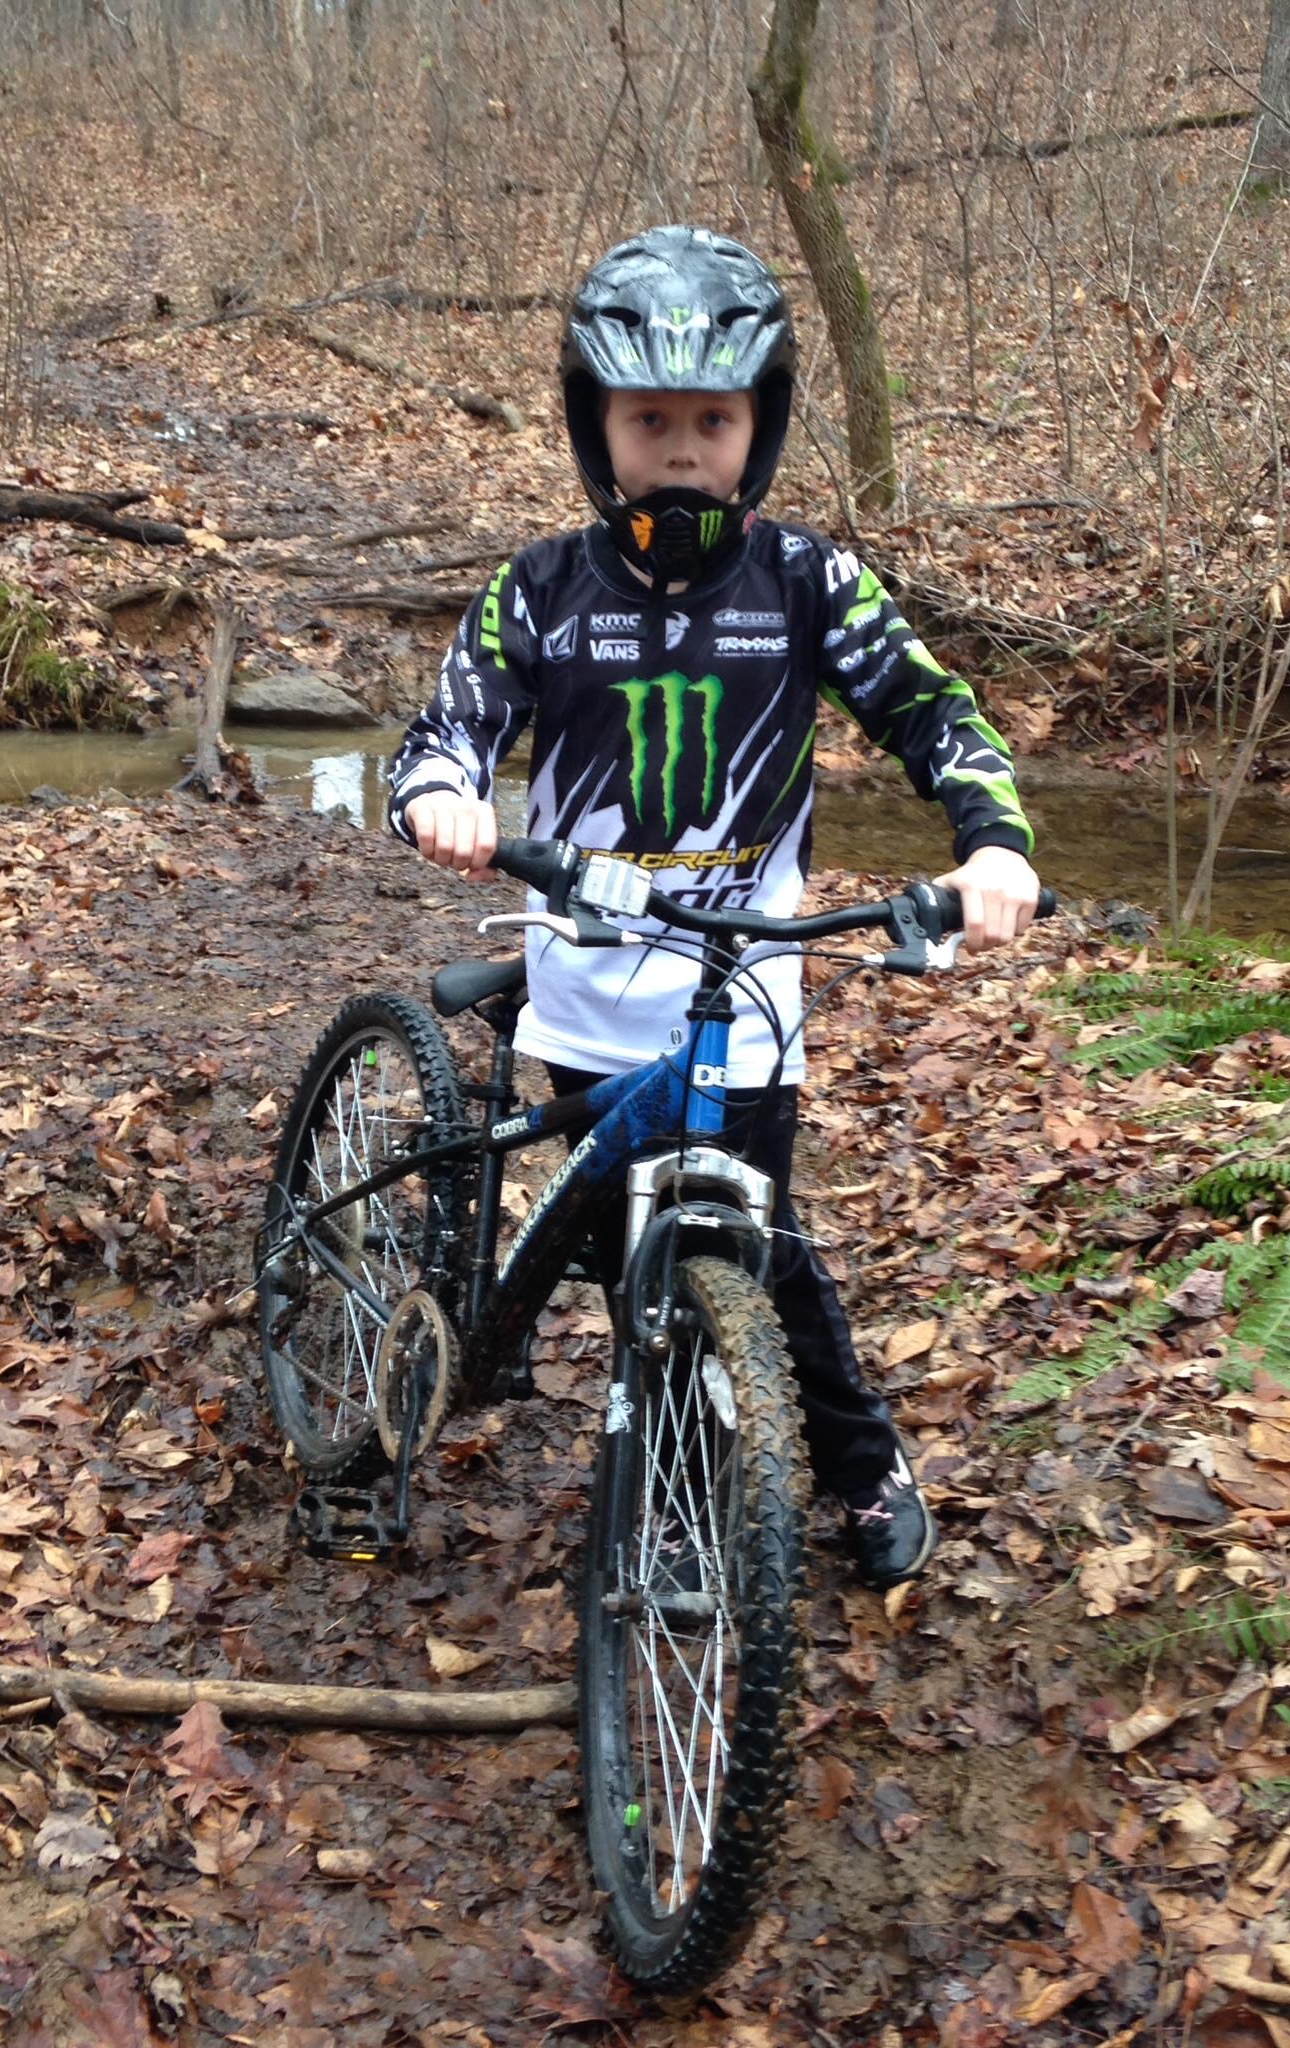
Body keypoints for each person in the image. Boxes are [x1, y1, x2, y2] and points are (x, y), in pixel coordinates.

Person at [385, 225, 1041, 1589]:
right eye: (649, 420)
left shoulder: (809, 584)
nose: (681, 449)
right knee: (639, 1261)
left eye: (712, 420)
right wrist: (447, 793)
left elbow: (932, 711)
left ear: (762, 426)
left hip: (744, 1002)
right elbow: (449, 725)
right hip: (584, 986)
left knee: (757, 1250)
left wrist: (994, 844)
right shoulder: (543, 590)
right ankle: (664, 1459)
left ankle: (854, 1464)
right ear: (596, 424)